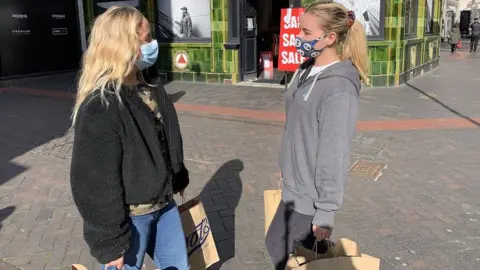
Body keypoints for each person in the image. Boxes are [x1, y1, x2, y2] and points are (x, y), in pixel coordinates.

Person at [70, 6, 190, 270]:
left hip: (164, 204)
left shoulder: (151, 85)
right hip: (131, 218)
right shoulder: (101, 105)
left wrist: (178, 175)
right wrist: (109, 242)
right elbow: (93, 182)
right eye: (146, 39)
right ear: (123, 46)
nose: (153, 44)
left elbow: (167, 138)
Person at [265, 1, 368, 269]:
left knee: (280, 248)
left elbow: (334, 153)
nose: (298, 37)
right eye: (300, 30)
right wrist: (288, 166)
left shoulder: (339, 88)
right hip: (294, 184)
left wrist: (326, 211)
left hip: (310, 195)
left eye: (306, 33)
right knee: (285, 251)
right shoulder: (306, 70)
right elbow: (298, 127)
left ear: (330, 37)